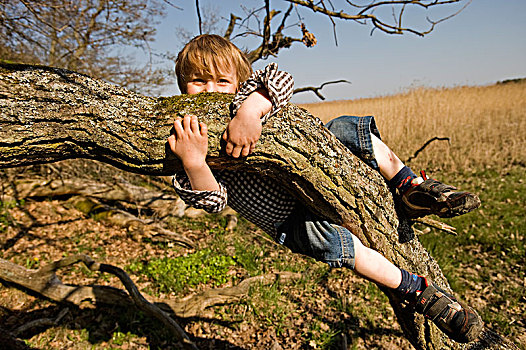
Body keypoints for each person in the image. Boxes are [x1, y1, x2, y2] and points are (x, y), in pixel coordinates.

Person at [167, 34, 483, 343]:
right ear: (183, 87)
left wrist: (249, 112)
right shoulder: (187, 137)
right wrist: (195, 162)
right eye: (198, 81)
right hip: (289, 218)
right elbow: (213, 202)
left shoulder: (245, 99)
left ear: (238, 81)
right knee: (336, 245)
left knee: (342, 127)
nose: (211, 89)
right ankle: (416, 290)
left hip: (311, 169)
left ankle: (410, 186)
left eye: (222, 81)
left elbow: (281, 79)